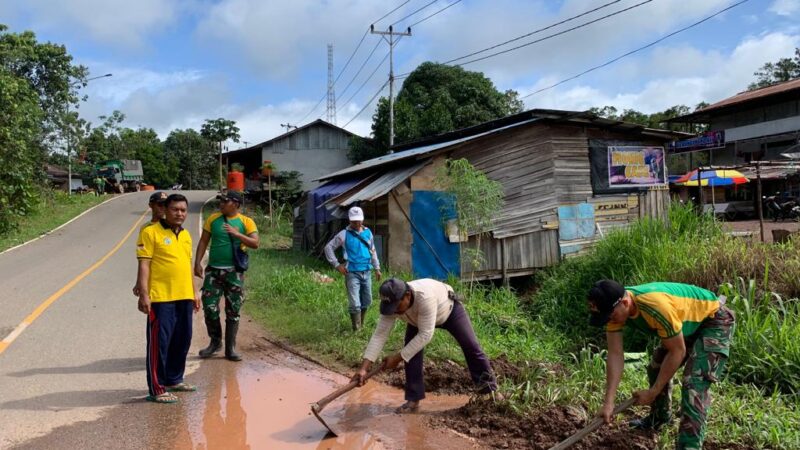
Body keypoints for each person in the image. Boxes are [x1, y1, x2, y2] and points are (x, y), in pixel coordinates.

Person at [589, 280, 735, 450]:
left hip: (714, 319)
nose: (609, 320)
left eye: (610, 315)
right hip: (685, 324)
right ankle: (659, 418)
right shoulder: (615, 307)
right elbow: (615, 354)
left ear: (625, 303)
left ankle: (690, 446)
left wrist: (653, 391)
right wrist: (608, 402)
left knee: (693, 383)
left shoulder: (655, 306)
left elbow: (677, 352)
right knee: (655, 367)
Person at [352, 278, 499, 413]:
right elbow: (380, 335)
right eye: (391, 307)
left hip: (448, 311)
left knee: (471, 347)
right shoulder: (391, 304)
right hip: (416, 320)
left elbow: (426, 334)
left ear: (408, 295)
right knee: (412, 353)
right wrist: (364, 369)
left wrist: (397, 358)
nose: (394, 311)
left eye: (396, 306)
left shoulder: (425, 297)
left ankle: (490, 392)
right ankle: (413, 400)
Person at [135, 193, 200, 403]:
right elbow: (144, 264)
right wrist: (144, 294)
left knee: (182, 340)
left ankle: (174, 379)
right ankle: (157, 388)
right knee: (159, 344)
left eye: (183, 210)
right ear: (165, 210)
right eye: (175, 209)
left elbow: (188, 266)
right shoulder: (150, 232)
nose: (179, 213)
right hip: (161, 298)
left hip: (184, 297)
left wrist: (195, 292)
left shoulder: (186, 235)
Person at [194, 191, 259, 362]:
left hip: (234, 273)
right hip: (213, 271)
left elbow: (255, 243)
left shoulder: (246, 222)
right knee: (209, 307)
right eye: (220, 201)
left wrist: (237, 234)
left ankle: (231, 348)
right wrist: (197, 262)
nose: (221, 204)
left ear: (236, 204)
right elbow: (203, 241)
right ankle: (215, 342)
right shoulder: (213, 219)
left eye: (225, 201)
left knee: (233, 309)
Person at [323, 206, 381, 331]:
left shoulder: (368, 232)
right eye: (354, 221)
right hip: (352, 273)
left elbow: (373, 250)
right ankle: (357, 329)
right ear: (349, 220)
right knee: (355, 303)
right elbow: (328, 248)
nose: (357, 223)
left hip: (367, 271)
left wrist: (377, 268)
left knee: (367, 300)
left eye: (359, 220)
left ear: (362, 219)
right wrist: (337, 265)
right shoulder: (344, 234)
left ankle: (362, 323)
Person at [133, 191, 168, 297]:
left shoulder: (173, 226)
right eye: (160, 204)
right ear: (151, 206)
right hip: (154, 282)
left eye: (166, 205)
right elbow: (143, 259)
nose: (163, 208)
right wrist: (139, 281)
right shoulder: (146, 229)